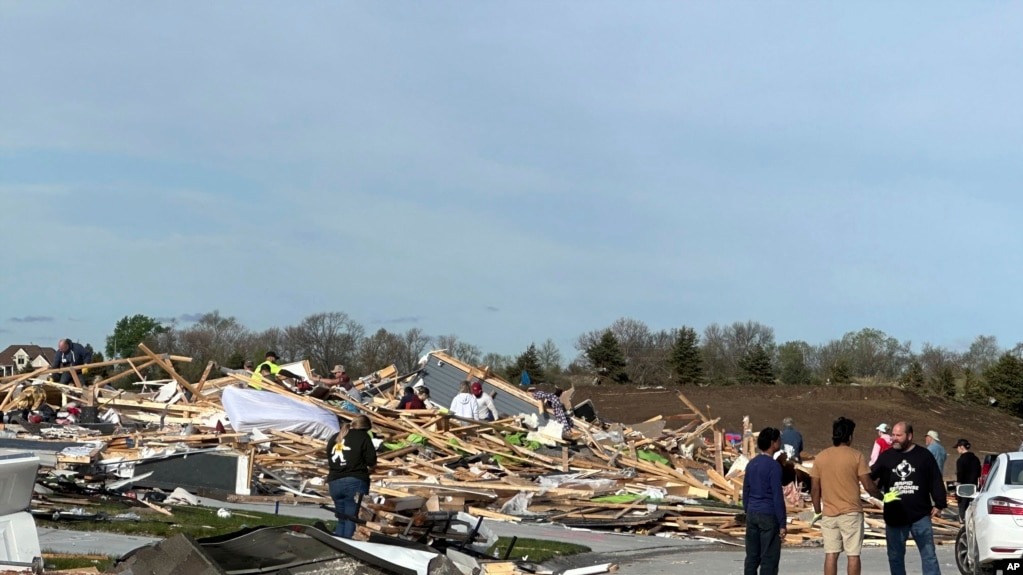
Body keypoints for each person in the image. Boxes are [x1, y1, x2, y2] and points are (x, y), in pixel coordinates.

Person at [809, 417, 883, 575]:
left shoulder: (821, 457)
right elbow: (869, 486)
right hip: (851, 512)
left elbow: (815, 489)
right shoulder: (857, 456)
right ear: (849, 437)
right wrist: (883, 497)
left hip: (829, 513)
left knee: (831, 554)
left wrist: (817, 511)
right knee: (853, 554)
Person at [870, 421, 946, 575]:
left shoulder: (924, 456)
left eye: (899, 435)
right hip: (894, 515)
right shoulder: (886, 457)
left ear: (909, 436)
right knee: (895, 556)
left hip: (920, 515)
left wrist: (939, 503)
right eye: (893, 435)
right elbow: (871, 477)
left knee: (928, 555)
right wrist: (874, 491)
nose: (894, 438)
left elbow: (935, 480)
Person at [742, 427, 786, 575]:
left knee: (752, 557)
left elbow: (746, 490)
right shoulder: (774, 467)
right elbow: (777, 496)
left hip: (752, 513)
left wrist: (747, 510)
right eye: (779, 440)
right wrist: (782, 523)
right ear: (773, 443)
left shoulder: (751, 464)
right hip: (768, 514)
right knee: (769, 559)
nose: (780, 442)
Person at [326, 415, 376, 539]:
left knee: (341, 518)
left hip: (334, 481)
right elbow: (371, 460)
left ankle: (338, 542)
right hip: (355, 480)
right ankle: (348, 544)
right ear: (366, 428)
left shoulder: (335, 437)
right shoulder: (363, 437)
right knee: (352, 518)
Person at [954, 439, 981, 522]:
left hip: (963, 487)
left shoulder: (961, 460)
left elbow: (960, 475)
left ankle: (962, 520)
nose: (957, 449)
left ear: (961, 447)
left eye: (957, 447)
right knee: (972, 506)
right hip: (974, 487)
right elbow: (979, 473)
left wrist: (957, 484)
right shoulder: (976, 459)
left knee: (963, 505)